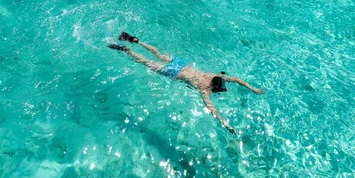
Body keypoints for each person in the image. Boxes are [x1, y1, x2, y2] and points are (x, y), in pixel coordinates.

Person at [108, 32, 265, 134]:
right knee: (146, 62)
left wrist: (254, 89)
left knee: (159, 54)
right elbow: (212, 109)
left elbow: (236, 79)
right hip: (175, 72)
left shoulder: (212, 75)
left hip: (181, 64)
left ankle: (137, 41)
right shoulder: (204, 89)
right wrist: (226, 125)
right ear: (213, 87)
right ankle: (128, 51)